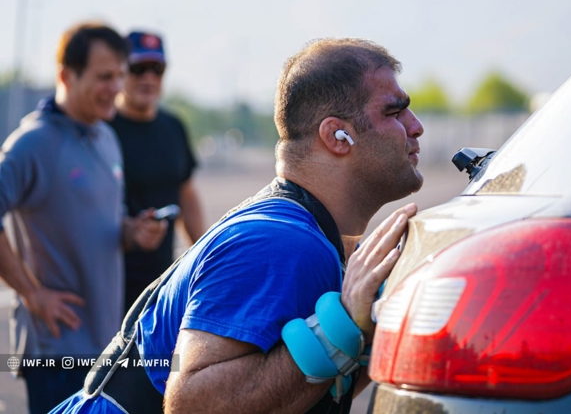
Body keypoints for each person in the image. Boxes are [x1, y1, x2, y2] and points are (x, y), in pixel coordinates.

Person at [51, 37, 425, 414]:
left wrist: (369, 329)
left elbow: (315, 390)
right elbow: (191, 406)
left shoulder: (311, 234)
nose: (416, 127)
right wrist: (339, 329)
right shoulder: (279, 242)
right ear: (336, 136)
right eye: (395, 113)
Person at [0, 22, 168, 414]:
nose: (116, 87)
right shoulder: (32, 144)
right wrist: (32, 292)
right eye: (104, 77)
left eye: (120, 75)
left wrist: (132, 231)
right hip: (55, 351)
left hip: (106, 346)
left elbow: (95, 221)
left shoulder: (105, 136)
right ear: (66, 76)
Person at [109, 30, 206, 311]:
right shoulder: (103, 130)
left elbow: (186, 194)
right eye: (138, 69)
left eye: (157, 69)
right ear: (121, 71)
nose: (148, 78)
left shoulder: (173, 127)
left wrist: (205, 253)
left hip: (162, 284)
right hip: (110, 284)